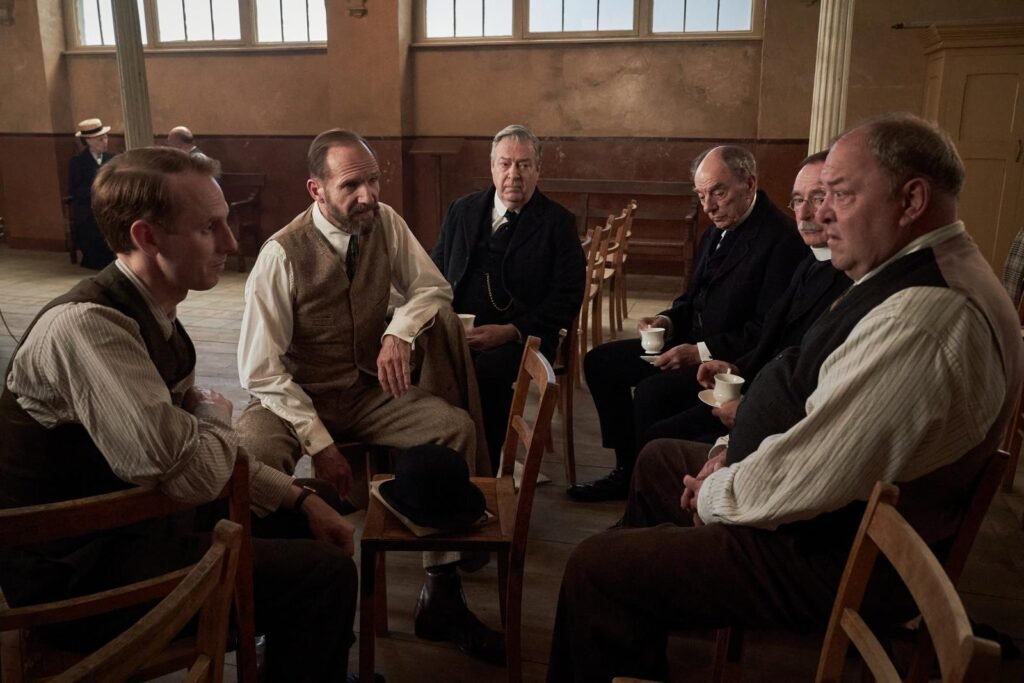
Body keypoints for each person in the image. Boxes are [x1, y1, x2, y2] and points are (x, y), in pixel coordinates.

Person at [546, 113, 1024, 682]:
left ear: (912, 199)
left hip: (832, 553)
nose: (820, 215)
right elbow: (818, 407)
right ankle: (645, 616)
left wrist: (715, 491)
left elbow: (809, 474)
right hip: (819, 509)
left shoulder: (925, 318)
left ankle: (625, 596)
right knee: (655, 462)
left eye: (839, 196)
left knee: (594, 570)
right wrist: (729, 447)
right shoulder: (914, 271)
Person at [0, 147, 358, 682]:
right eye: (209, 228)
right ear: (147, 237)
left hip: (134, 523)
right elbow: (189, 474)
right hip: (82, 577)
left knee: (315, 508)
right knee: (322, 575)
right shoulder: (88, 329)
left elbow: (196, 460)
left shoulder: (155, 312)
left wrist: (296, 495)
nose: (232, 242)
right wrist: (211, 420)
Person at [237, 128, 504, 664]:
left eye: (374, 179)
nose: (368, 195)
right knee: (253, 459)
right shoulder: (281, 254)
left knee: (452, 427)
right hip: (293, 397)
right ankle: (273, 611)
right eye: (351, 185)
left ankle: (441, 591)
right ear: (316, 190)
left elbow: (432, 288)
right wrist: (321, 445)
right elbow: (261, 371)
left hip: (362, 390)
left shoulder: (385, 223)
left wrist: (397, 332)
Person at [569, 145, 805, 502]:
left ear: (750, 183)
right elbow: (692, 299)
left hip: (726, 363)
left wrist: (699, 352)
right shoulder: (715, 230)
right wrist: (666, 319)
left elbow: (763, 330)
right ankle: (626, 469)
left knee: (650, 394)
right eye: (701, 195)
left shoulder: (781, 240)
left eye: (718, 192)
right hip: (690, 342)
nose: (708, 206)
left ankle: (644, 484)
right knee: (600, 362)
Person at [642, 151, 852, 446]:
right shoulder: (811, 259)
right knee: (614, 372)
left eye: (818, 199)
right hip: (743, 374)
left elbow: (792, 357)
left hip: (773, 413)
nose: (804, 214)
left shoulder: (793, 245)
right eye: (798, 200)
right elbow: (696, 299)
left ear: (750, 185)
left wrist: (728, 372)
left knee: (655, 430)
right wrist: (736, 367)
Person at [432, 124, 585, 468]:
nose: (513, 174)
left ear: (537, 170)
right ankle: (441, 459)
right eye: (505, 164)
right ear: (492, 167)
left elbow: (567, 296)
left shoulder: (557, 223)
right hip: (459, 329)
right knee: (420, 363)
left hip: (521, 336)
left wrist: (511, 330)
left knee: (488, 371)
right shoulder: (462, 210)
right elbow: (435, 271)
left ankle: (484, 469)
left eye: (524, 165)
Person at [68, 117, 116, 269]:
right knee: (90, 222)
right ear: (88, 141)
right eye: (100, 139)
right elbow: (77, 189)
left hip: (111, 202)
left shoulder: (113, 159)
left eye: (106, 138)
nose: (105, 142)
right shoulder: (77, 162)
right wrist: (97, 192)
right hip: (89, 205)